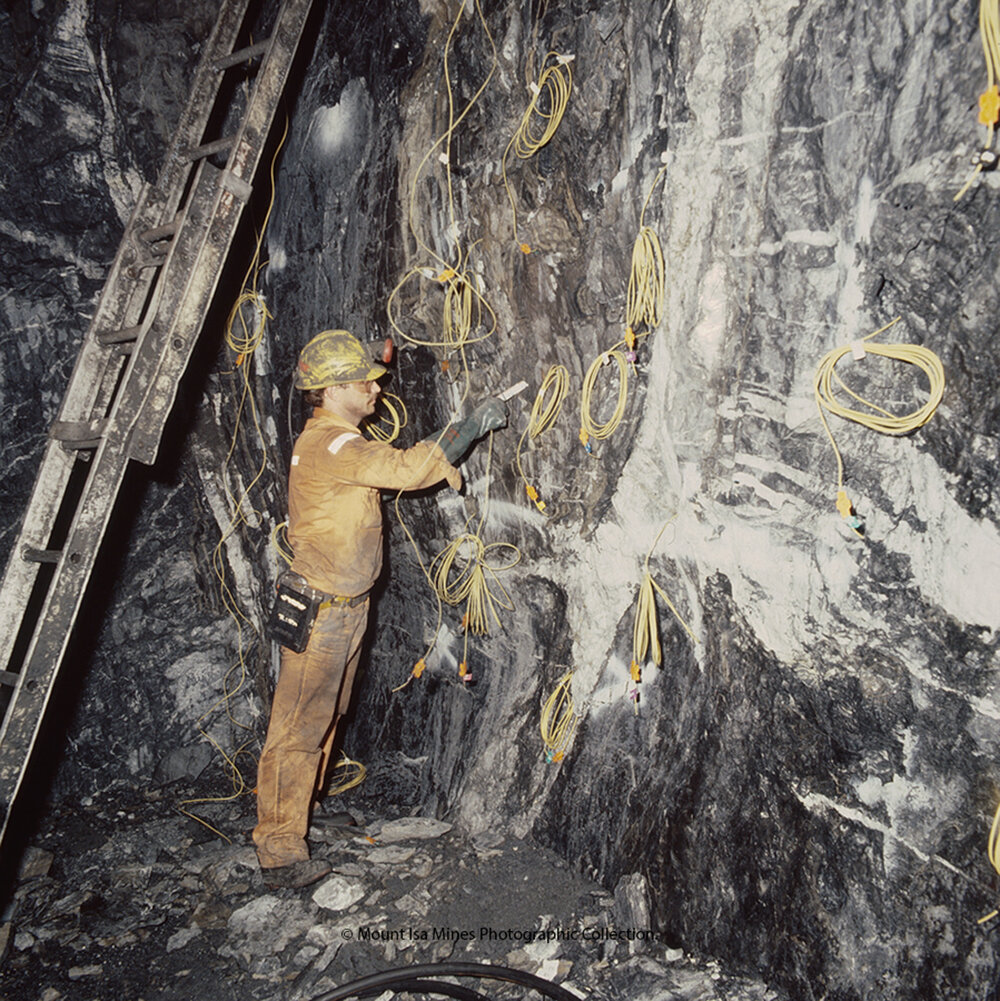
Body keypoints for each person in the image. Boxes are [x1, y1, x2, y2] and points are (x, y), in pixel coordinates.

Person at [253, 328, 466, 889]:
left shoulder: (337, 439)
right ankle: (278, 848)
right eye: (364, 382)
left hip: (345, 608)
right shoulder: (332, 443)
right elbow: (404, 471)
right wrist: (464, 430)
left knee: (327, 715)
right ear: (330, 389)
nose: (377, 388)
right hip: (322, 611)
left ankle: (301, 814)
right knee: (300, 725)